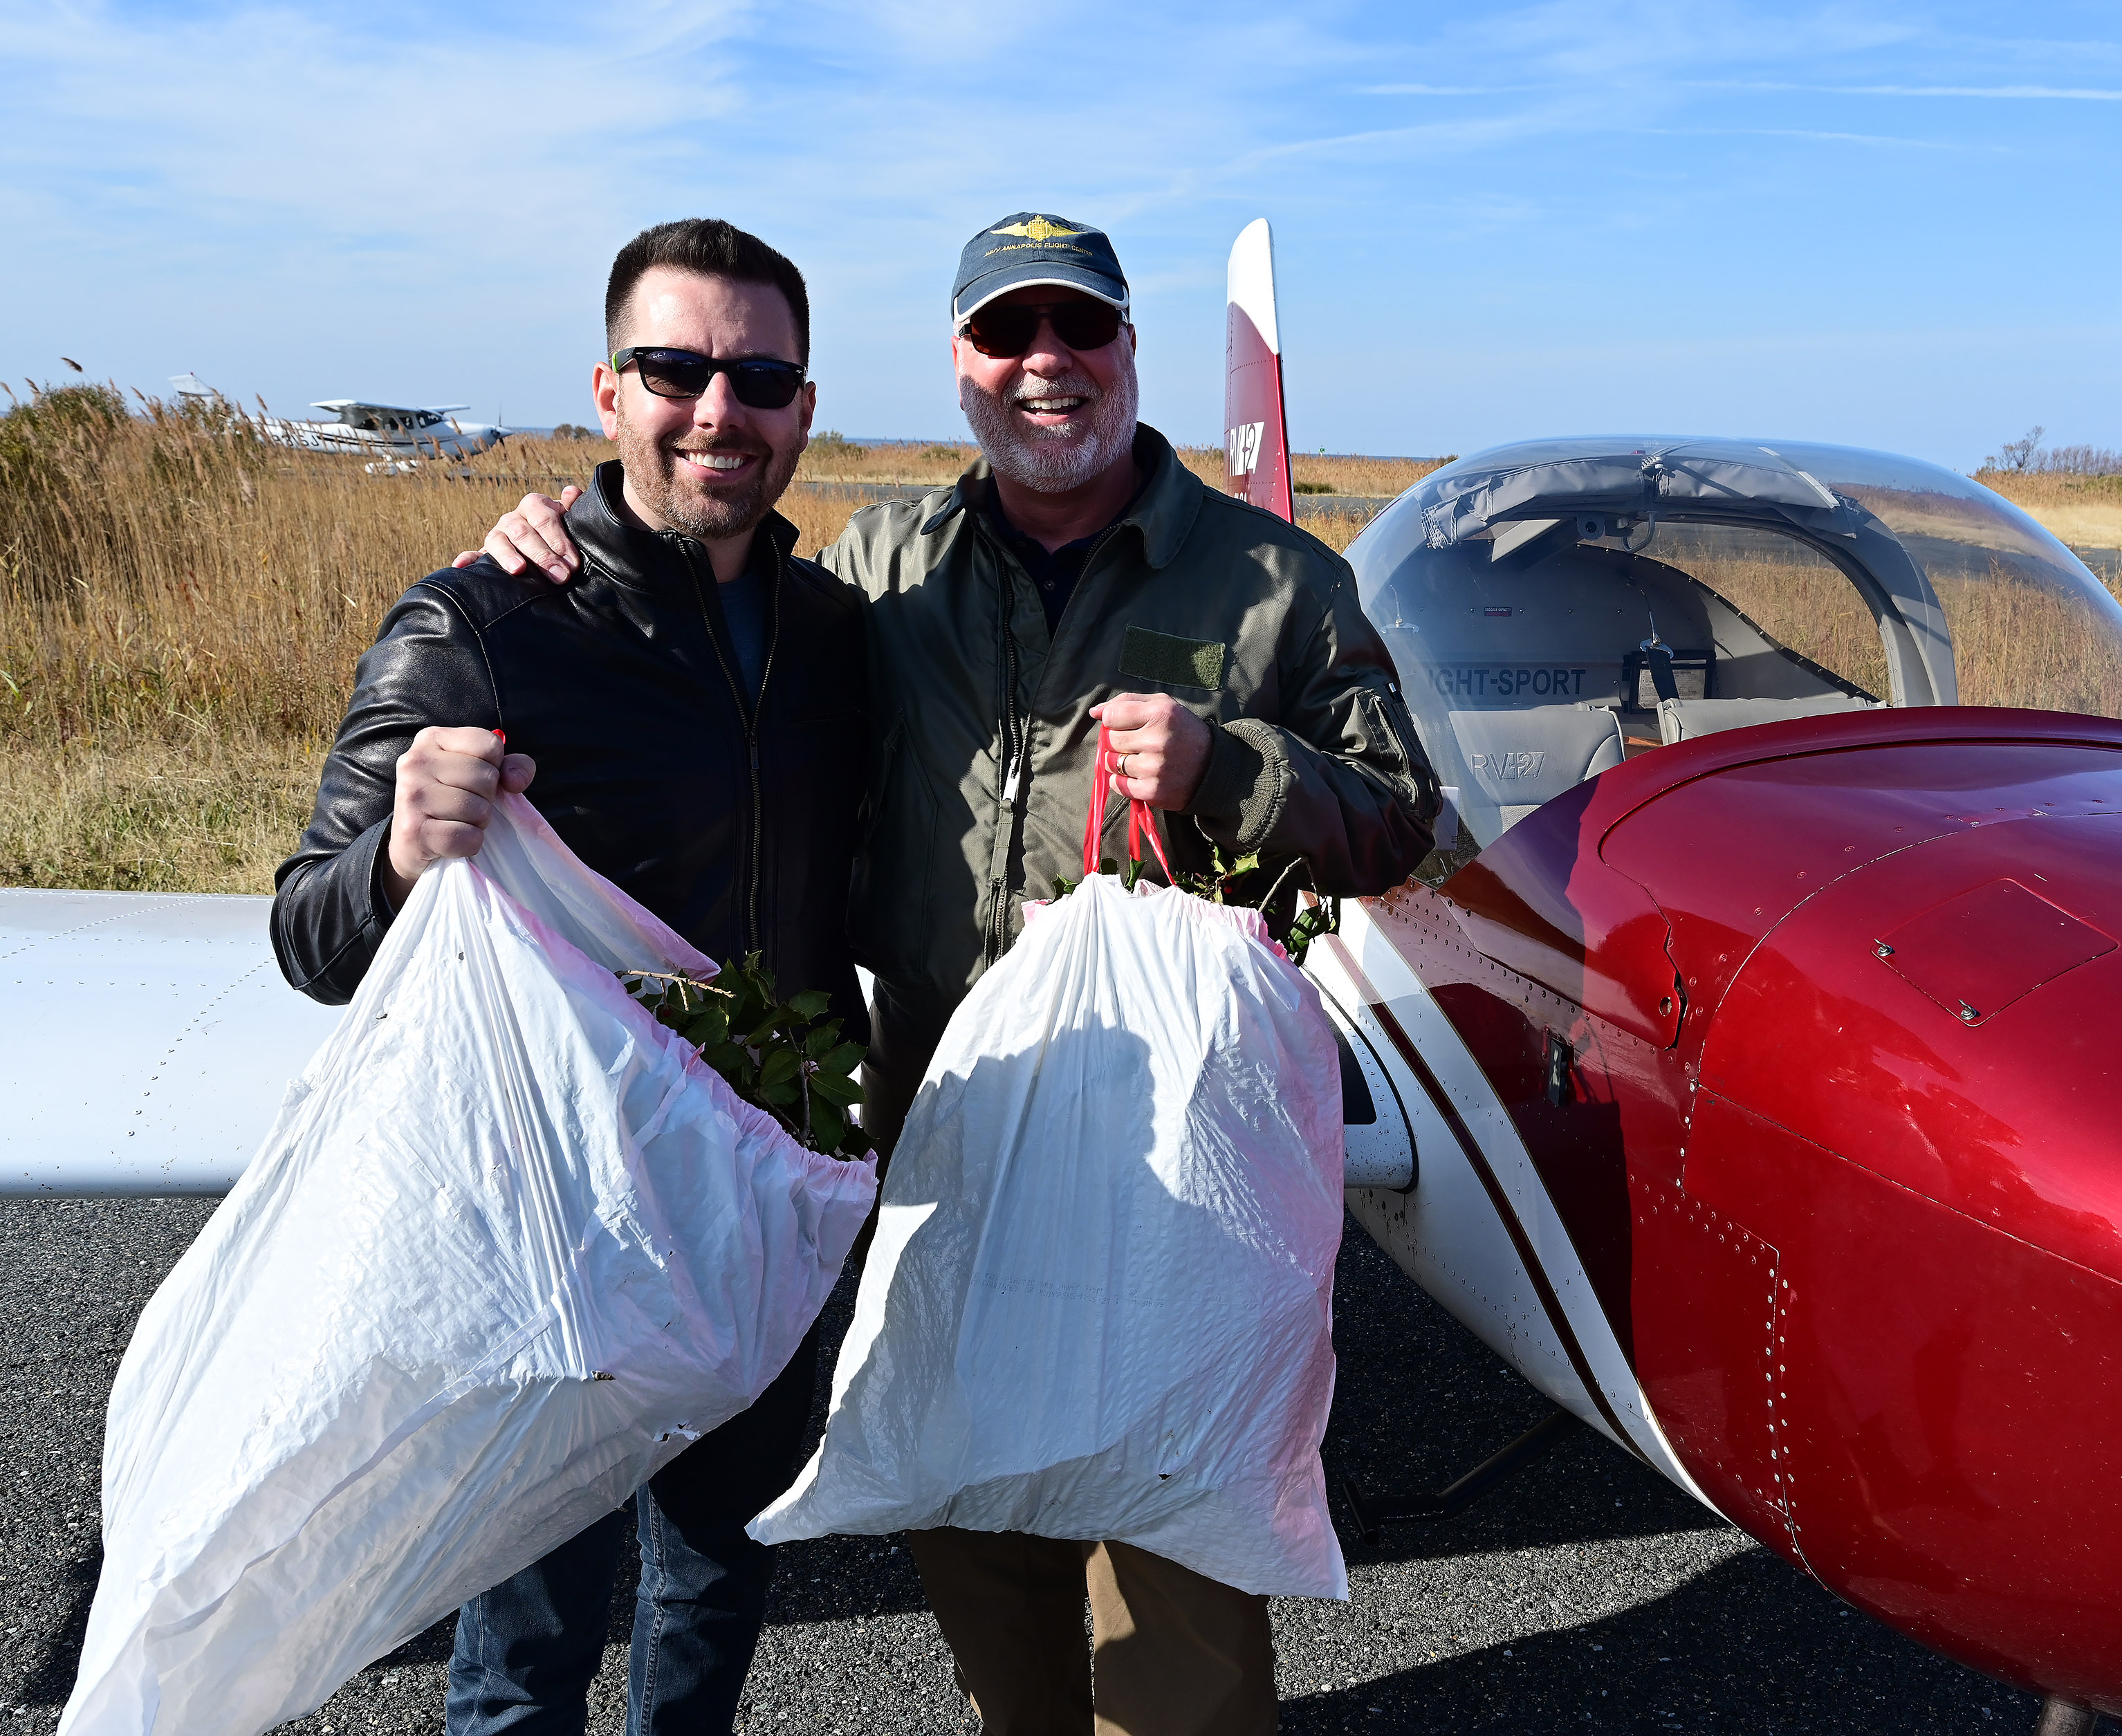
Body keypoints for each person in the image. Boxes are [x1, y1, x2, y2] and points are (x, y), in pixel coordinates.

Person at [465, 212, 1440, 1735]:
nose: (1045, 364)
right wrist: (553, 547)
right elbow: (705, 622)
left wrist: (1232, 767)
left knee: (1169, 1631)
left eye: (1079, 329)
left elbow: (1400, 819)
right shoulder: (883, 566)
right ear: (959, 367)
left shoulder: (1274, 583)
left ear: (1128, 351)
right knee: (984, 1569)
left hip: (1174, 1182)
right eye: (1007, 334)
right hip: (946, 1141)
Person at [273, 216, 869, 1736]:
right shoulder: (483, 618)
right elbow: (312, 936)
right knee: (527, 1641)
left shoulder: (837, 637)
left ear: (804, 405)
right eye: (675, 368)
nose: (717, 411)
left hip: (764, 1206)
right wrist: (402, 848)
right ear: (607, 389)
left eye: (760, 376)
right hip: (555, 1222)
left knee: (715, 1585)